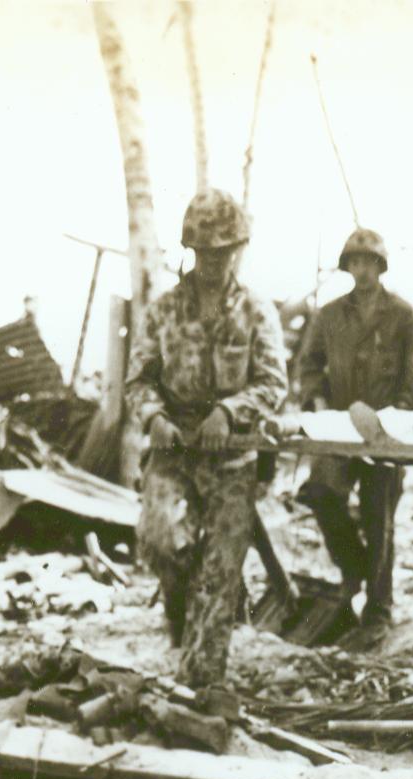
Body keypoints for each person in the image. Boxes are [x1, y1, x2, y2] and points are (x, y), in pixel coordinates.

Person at [126, 189, 288, 688]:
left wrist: (229, 412)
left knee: (220, 574)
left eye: (224, 251)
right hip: (173, 451)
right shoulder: (164, 310)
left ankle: (200, 686)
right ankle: (180, 614)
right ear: (191, 251)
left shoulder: (256, 311)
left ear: (238, 249)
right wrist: (154, 418)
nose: (215, 262)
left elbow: (273, 383)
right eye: (205, 252)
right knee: (158, 542)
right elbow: (138, 380)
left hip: (231, 458)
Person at [295, 228, 413, 637]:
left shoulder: (403, 316)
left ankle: (379, 607)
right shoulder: (329, 316)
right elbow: (309, 365)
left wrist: (396, 419)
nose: (362, 270)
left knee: (379, 515)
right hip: (339, 428)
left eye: (369, 262)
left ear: (380, 266)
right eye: (355, 262)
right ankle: (353, 570)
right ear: (347, 267)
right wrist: (316, 403)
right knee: (319, 491)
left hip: (384, 430)